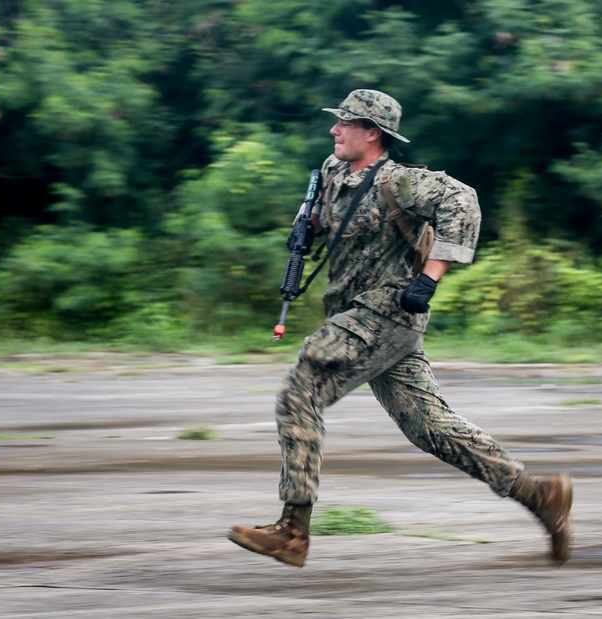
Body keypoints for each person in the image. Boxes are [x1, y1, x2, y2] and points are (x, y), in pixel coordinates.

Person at [228, 89, 572, 568]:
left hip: (387, 312)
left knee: (299, 391)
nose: (334, 130)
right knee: (428, 427)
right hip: (357, 317)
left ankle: (293, 529)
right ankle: (539, 495)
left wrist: (429, 278)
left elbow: (464, 202)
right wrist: (305, 227)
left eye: (345, 123)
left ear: (373, 134)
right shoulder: (331, 173)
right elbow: (327, 219)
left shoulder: (401, 182)